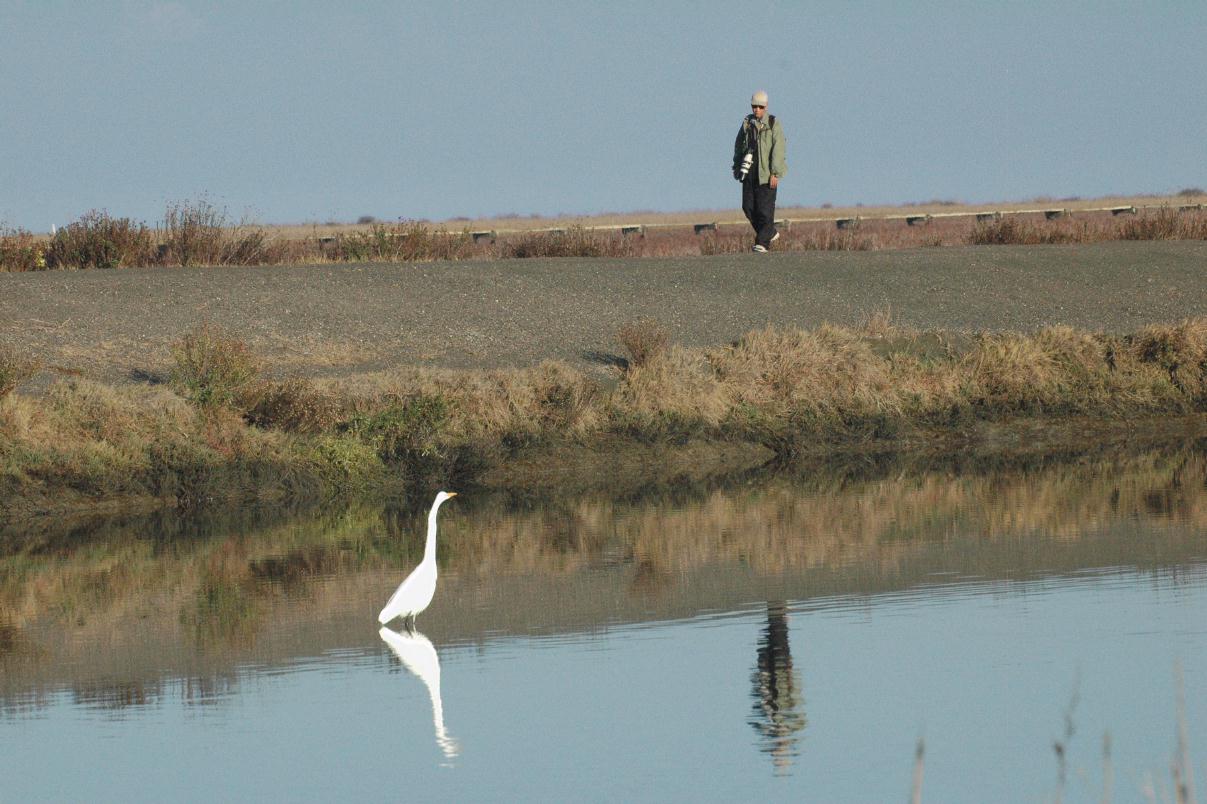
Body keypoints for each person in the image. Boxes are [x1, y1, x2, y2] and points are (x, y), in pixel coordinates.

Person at [733, 90, 787, 252]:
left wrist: (775, 173)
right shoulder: (747, 123)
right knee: (748, 207)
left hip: (766, 173)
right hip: (749, 171)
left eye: (760, 106)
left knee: (765, 210)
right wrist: (736, 166)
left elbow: (779, 149)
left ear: (766, 107)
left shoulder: (773, 123)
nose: (757, 109)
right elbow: (738, 145)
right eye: (754, 106)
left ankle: (762, 243)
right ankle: (769, 232)